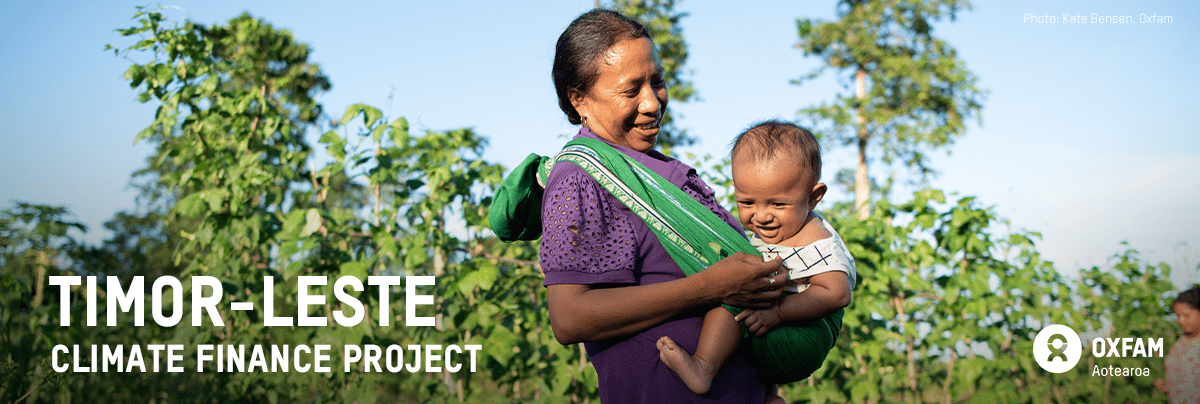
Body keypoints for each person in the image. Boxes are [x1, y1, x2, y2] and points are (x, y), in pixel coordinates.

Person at [488, 9, 791, 403]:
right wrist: (709, 286)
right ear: (579, 98)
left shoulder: (660, 173)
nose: (652, 102)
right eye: (631, 90)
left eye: (658, 82)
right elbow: (570, 317)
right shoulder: (582, 180)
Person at [656, 121, 855, 399]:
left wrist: (778, 313)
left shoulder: (815, 238)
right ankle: (767, 395)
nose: (761, 216)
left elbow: (836, 294)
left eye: (778, 204)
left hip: (807, 336)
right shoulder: (774, 232)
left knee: (734, 295)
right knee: (741, 285)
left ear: (813, 197)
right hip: (785, 334)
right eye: (748, 203)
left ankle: (703, 367)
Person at [1156, 286, 1200, 403]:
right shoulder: (1180, 344)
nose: (1180, 320)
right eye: (1177, 315)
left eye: (1186, 315)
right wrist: (1168, 384)